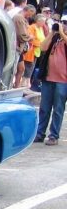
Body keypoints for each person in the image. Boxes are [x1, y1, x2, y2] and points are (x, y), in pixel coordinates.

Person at [34, 16, 67, 145]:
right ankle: (40, 133)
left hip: (63, 80)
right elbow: (42, 47)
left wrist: (62, 33)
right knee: (44, 108)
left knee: (58, 109)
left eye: (65, 23)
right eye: (62, 23)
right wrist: (52, 33)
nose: (63, 25)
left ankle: (53, 136)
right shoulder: (55, 37)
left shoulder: (63, 37)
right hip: (48, 78)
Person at [13, 4, 36, 88]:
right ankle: (9, 87)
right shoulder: (19, 18)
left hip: (20, 48)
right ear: (28, 10)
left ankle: (16, 87)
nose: (31, 16)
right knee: (13, 69)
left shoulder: (23, 19)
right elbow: (21, 35)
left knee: (21, 68)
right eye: (31, 13)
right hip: (16, 47)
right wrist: (30, 37)